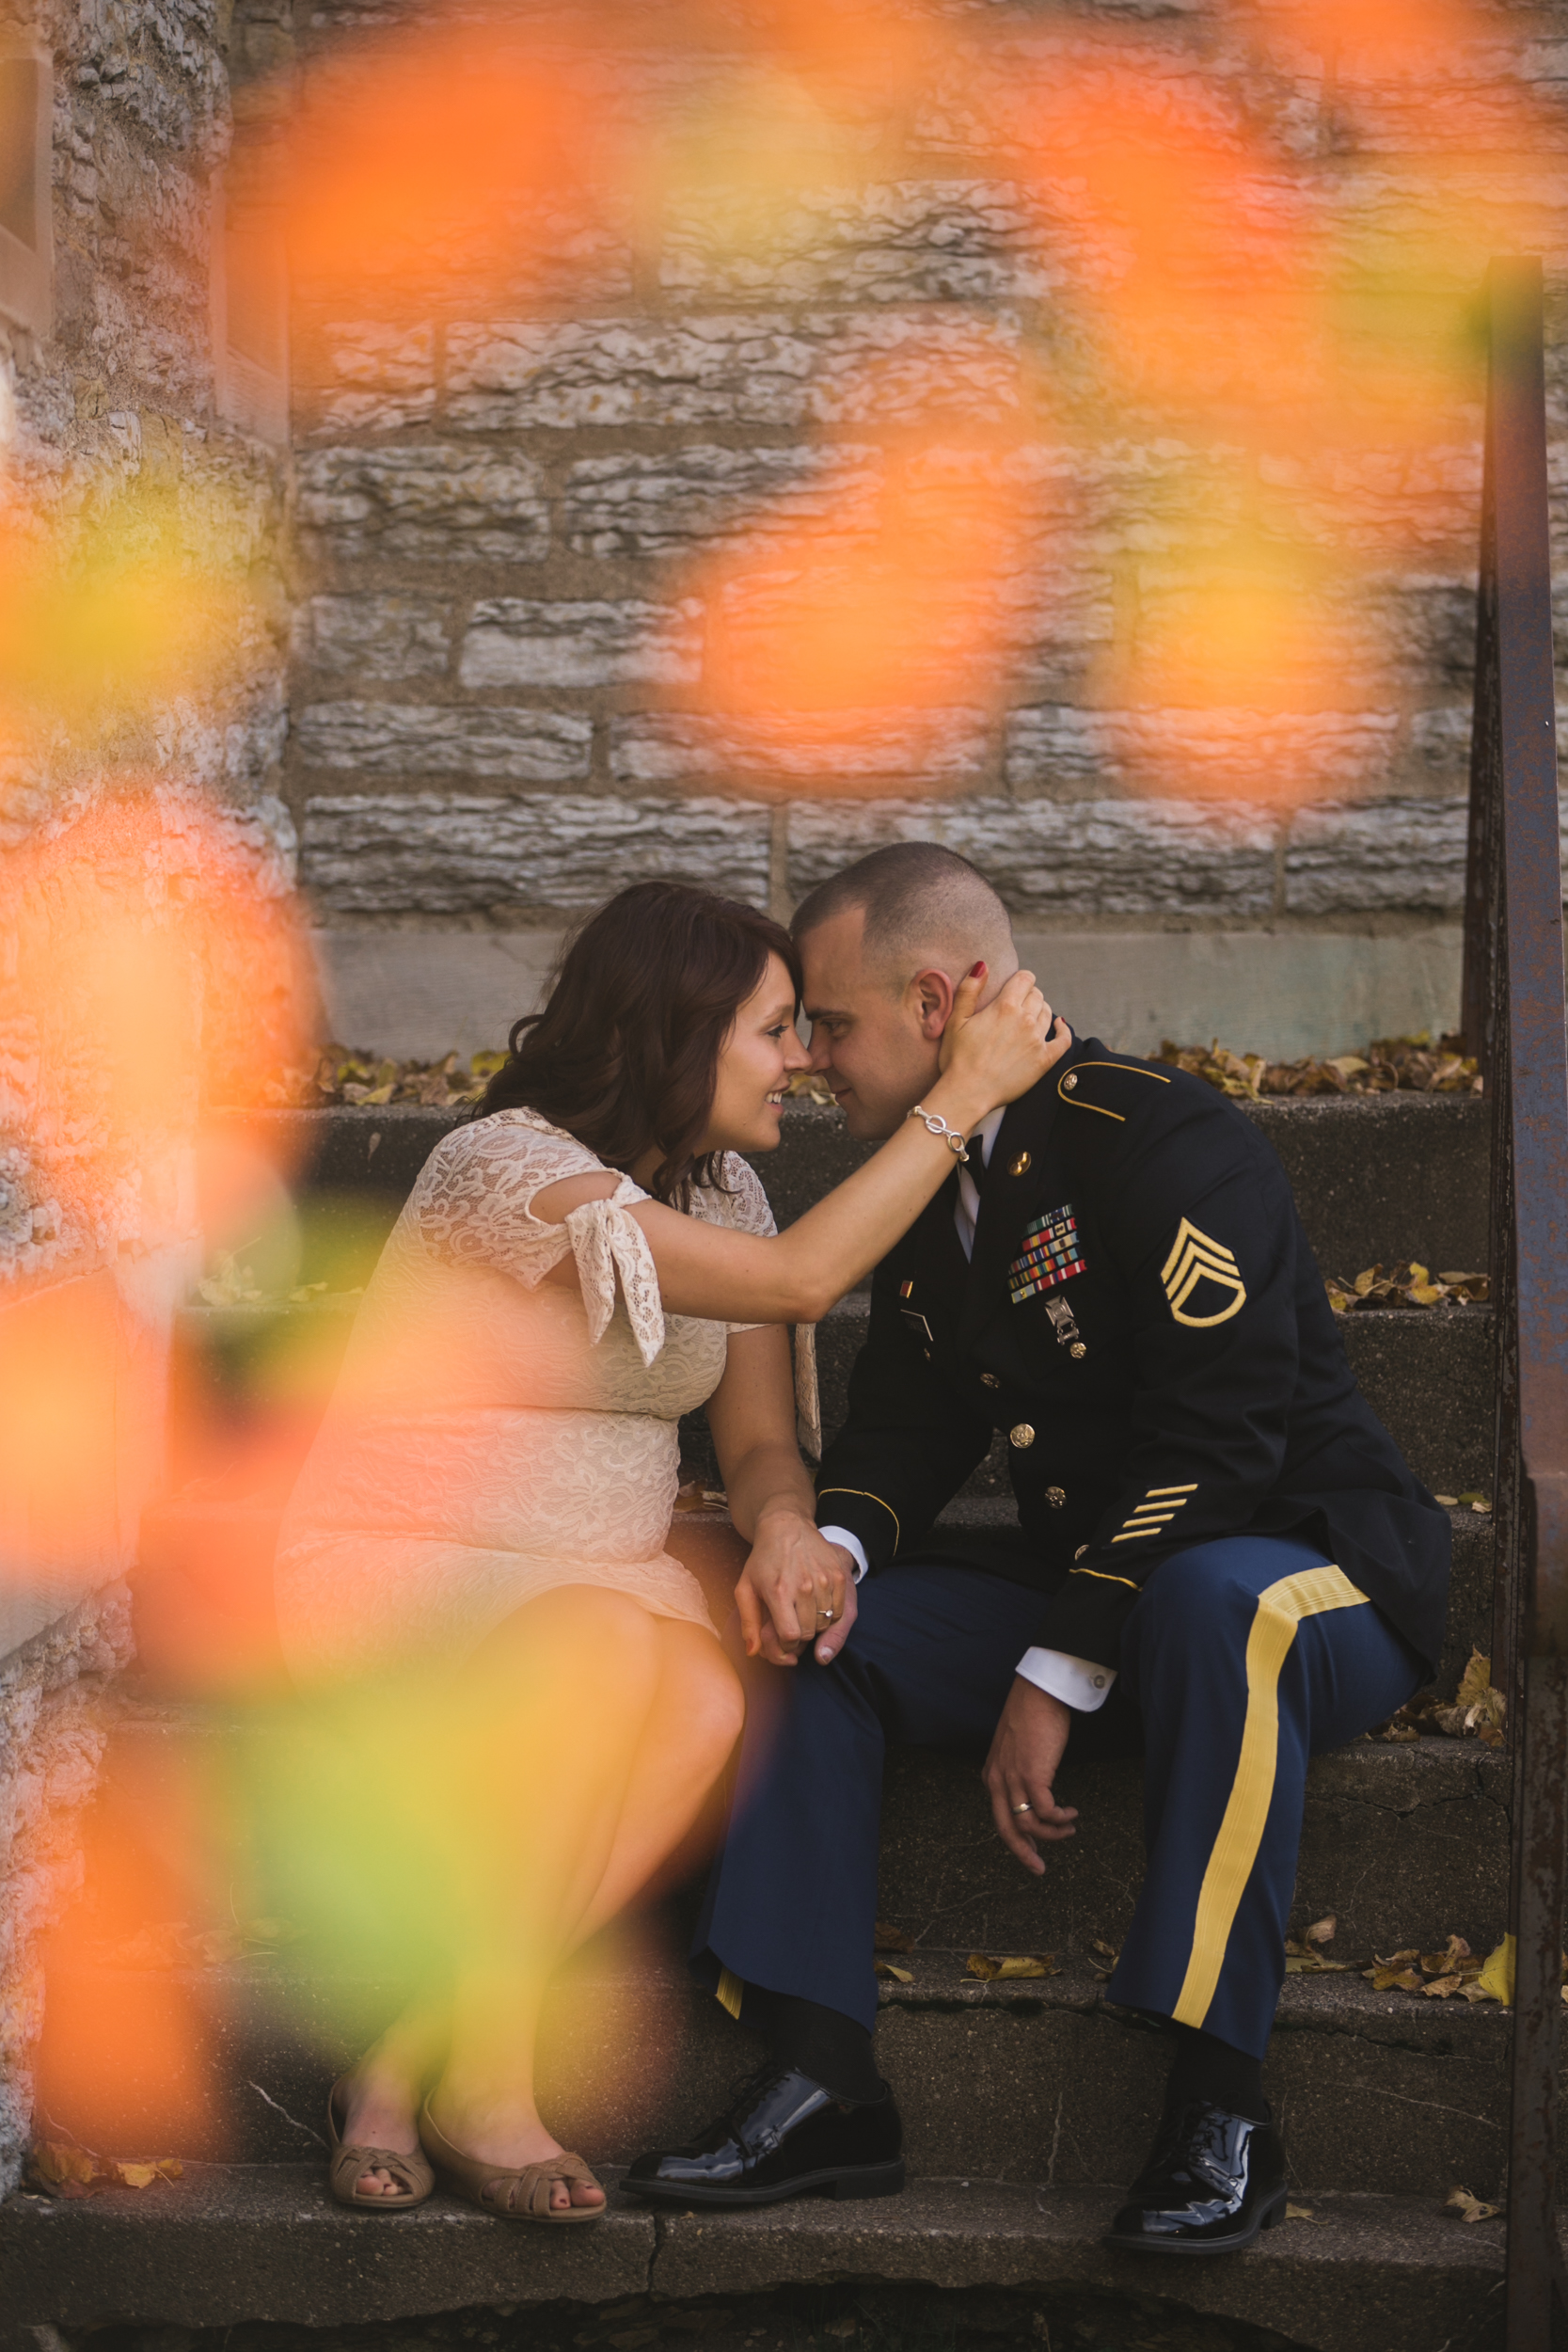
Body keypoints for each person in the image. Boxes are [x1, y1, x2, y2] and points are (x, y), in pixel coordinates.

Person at [626, 843, 1450, 2254]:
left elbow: (1221, 1450)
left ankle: (1223, 2102)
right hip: (1113, 1598)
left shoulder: (1157, 1137)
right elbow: (899, 1441)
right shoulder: (931, 1188)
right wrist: (822, 1547)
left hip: (1308, 1578)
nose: (815, 1057)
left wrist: (1057, 1665)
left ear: (938, 1002)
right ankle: (823, 2076)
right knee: (823, 1631)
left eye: (831, 1022)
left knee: (1210, 1603)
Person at [272, 877, 1066, 2224]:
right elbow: (807, 1283)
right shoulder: (504, 1172)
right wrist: (959, 1102)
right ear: (673, 1034)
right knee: (602, 1656)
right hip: (409, 1569)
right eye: (773, 1031)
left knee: (703, 1697)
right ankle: (492, 2084)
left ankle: (404, 2058)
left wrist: (776, 1531)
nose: (805, 1059)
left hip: (594, 1588)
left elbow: (760, 1447)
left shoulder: (727, 1189)